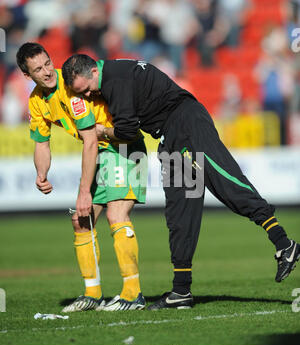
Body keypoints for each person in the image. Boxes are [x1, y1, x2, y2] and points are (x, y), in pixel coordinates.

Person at [61, 55, 300, 311]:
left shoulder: (113, 80)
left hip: (187, 124)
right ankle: (181, 291)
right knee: (179, 213)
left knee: (227, 182)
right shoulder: (112, 75)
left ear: (93, 71)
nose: (87, 95)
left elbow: (128, 132)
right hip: (170, 137)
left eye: (86, 88)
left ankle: (284, 243)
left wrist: (102, 132)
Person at [16, 43, 148, 312]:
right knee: (80, 220)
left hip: (122, 146)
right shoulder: (36, 101)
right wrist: (41, 173)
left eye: (47, 63)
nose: (47, 71)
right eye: (38, 69)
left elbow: (90, 141)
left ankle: (133, 294)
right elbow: (41, 142)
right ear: (28, 76)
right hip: (101, 152)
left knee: (116, 215)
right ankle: (93, 294)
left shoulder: (69, 89)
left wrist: (83, 192)